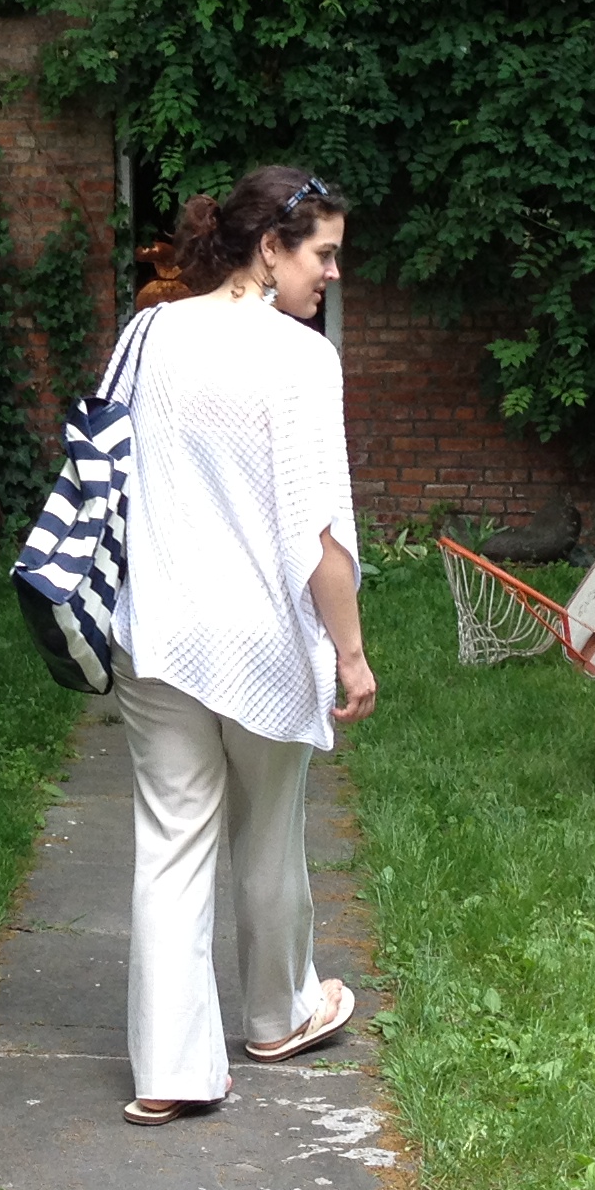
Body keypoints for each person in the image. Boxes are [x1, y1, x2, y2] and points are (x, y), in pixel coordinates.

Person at [109, 165, 376, 1127]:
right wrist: (350, 654)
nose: (332, 275)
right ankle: (279, 1014)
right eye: (324, 254)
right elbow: (319, 535)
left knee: (170, 843)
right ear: (270, 247)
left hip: (157, 631)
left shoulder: (147, 334)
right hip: (259, 643)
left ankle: (170, 1071)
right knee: (268, 834)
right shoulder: (300, 359)